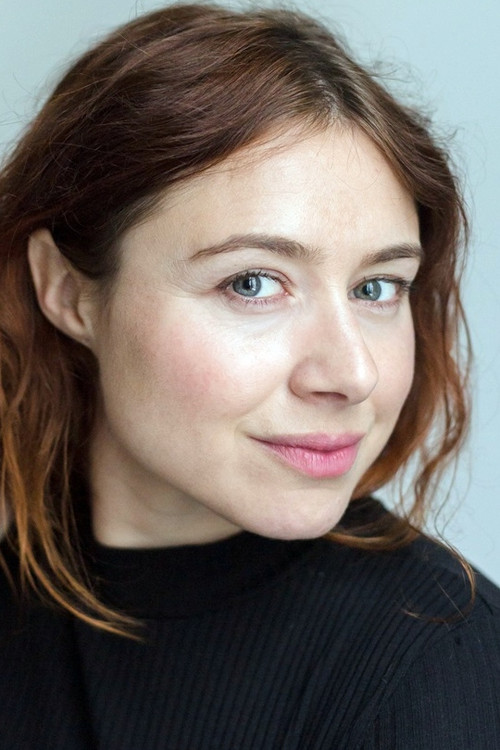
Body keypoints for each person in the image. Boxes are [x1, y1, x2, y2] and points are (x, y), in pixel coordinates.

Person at [0, 3, 499, 748]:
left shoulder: (432, 666)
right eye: (253, 284)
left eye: (376, 288)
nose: (353, 373)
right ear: (69, 292)